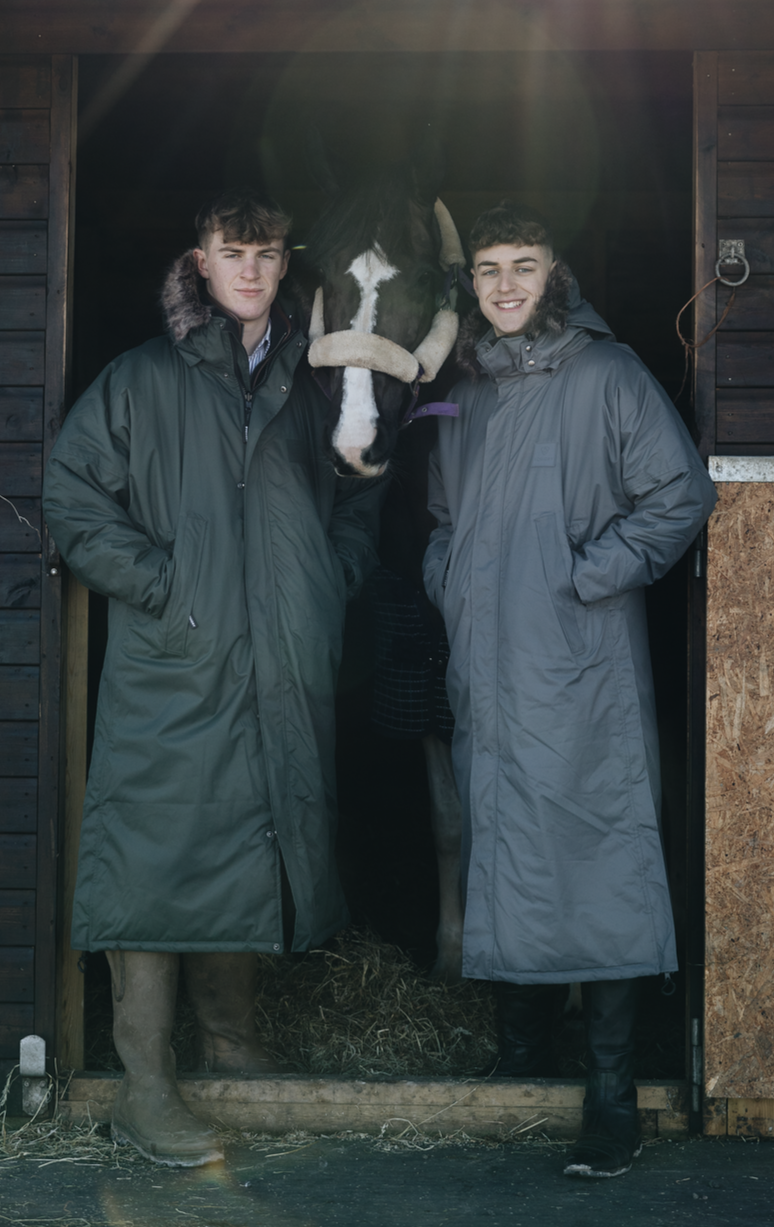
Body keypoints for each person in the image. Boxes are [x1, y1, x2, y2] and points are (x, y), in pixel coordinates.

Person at [43, 188, 382, 1167]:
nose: (250, 270)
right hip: (172, 660)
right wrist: (160, 585)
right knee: (152, 852)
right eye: (232, 253)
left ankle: (230, 1040)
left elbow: (365, 488)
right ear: (199, 263)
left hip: (275, 658)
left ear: (285, 267)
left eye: (267, 256)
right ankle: (144, 1085)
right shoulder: (142, 379)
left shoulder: (315, 383)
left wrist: (330, 578)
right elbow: (71, 492)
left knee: (250, 830)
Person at [422, 201, 716, 1178]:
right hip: (488, 669)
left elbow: (678, 492)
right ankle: (519, 1061)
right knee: (501, 841)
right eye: (487, 270)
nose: (503, 285)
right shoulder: (463, 390)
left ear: (556, 277)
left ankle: (609, 1093)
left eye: (523, 267)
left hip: (580, 669)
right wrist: (449, 578)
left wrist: (583, 575)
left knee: (595, 857)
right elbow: (436, 516)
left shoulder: (607, 374)